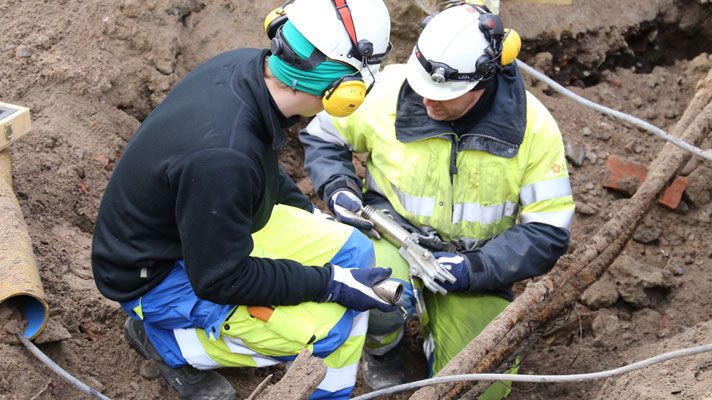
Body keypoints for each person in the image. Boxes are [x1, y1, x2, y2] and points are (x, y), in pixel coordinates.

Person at [90, 1, 393, 399]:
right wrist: (329, 283)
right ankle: (166, 343)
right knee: (327, 331)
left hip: (199, 228)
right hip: (154, 276)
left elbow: (261, 167)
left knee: (354, 250)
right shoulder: (225, 157)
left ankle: (328, 393)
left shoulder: (246, 68)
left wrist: (309, 220)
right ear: (343, 91)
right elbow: (221, 277)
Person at [300, 2, 575, 390]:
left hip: (475, 269)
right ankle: (383, 348)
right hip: (391, 238)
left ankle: (439, 350)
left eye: (442, 97)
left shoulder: (534, 128)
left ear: (481, 83)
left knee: (481, 384)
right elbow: (323, 136)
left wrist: (472, 270)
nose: (426, 102)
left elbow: (547, 231)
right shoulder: (389, 91)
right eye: (422, 88)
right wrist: (339, 187)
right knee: (365, 285)